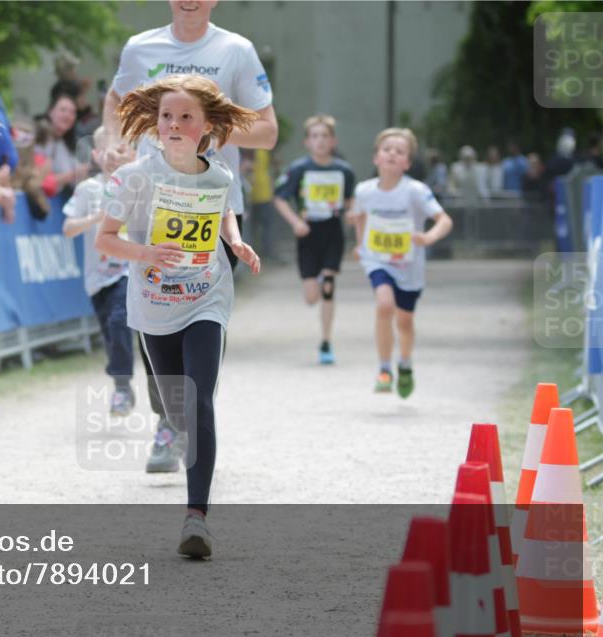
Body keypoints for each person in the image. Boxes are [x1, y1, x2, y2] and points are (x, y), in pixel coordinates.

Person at [96, 74, 260, 558]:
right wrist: (146, 252)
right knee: (176, 409)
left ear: (206, 126)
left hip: (207, 296)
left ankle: (196, 518)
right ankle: (178, 435)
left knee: (198, 399)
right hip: (154, 303)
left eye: (186, 117)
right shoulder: (134, 177)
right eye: (166, 116)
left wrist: (235, 241)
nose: (173, 124)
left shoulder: (220, 174)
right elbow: (105, 239)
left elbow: (223, 209)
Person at [103, 0, 278, 270]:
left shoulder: (237, 50)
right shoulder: (140, 47)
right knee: (153, 290)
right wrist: (114, 143)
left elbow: (268, 133)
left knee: (209, 294)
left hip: (213, 202)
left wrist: (206, 130)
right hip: (153, 198)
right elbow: (116, 99)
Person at [348, 128, 453, 398]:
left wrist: (428, 237)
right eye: (387, 149)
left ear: (407, 162)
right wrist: (360, 244)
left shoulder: (416, 191)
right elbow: (360, 217)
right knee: (385, 305)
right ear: (376, 158)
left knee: (405, 321)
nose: (392, 154)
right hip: (377, 259)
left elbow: (444, 220)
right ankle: (384, 369)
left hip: (409, 266)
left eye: (399, 151)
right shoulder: (364, 191)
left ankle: (405, 363)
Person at [63, 127, 136, 414]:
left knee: (119, 320)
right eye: (107, 150)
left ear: (130, 152)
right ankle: (123, 384)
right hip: (98, 277)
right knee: (111, 331)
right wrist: (96, 217)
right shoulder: (88, 189)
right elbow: (68, 228)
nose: (114, 156)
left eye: (120, 150)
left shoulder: (138, 185)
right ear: (95, 154)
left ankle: (122, 388)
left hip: (130, 271)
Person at [273, 114, 355, 365]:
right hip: (307, 234)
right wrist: (296, 222)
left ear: (333, 141)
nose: (320, 141)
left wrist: (352, 213)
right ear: (307, 142)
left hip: (332, 232)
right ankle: (315, 281)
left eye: (325, 136)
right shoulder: (299, 169)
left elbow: (350, 201)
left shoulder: (344, 170)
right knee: (312, 298)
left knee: (328, 286)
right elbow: (280, 198)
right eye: (315, 136)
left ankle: (326, 341)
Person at [35, 93, 86, 200]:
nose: (67, 115)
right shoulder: (40, 138)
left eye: (72, 112)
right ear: (50, 112)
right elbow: (39, 181)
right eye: (63, 110)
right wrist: (73, 175)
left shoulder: (66, 143)